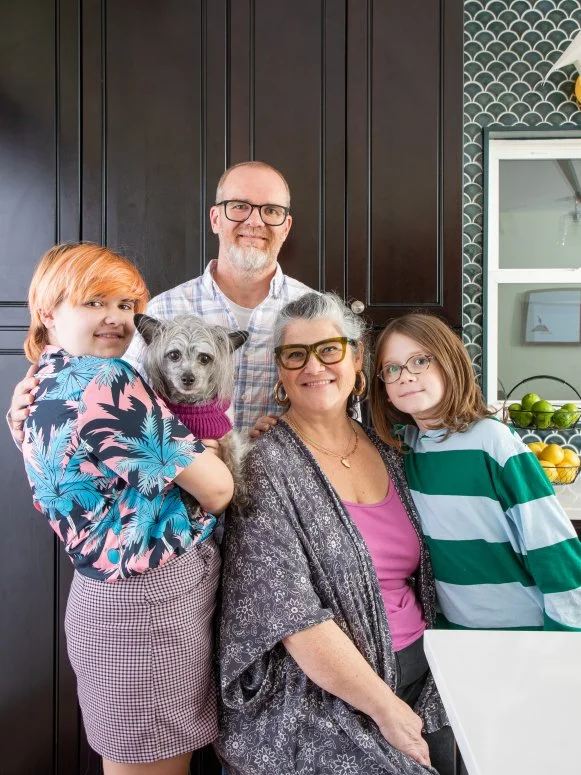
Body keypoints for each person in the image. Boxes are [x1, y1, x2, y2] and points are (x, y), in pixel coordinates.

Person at [19, 243, 235, 775]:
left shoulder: (41, 383)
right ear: (49, 311)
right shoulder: (107, 381)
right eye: (96, 301)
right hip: (145, 612)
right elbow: (218, 490)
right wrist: (209, 453)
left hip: (109, 603)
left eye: (125, 304)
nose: (116, 318)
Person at [217, 292, 453, 775]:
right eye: (295, 354)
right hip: (326, 696)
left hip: (430, 674)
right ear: (280, 369)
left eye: (330, 349)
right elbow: (294, 618)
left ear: (357, 356)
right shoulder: (267, 466)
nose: (314, 366)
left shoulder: (392, 447)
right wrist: (386, 710)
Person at [8, 160, 313, 440]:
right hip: (180, 489)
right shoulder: (164, 310)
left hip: (283, 493)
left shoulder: (313, 314)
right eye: (239, 207)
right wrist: (29, 418)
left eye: (271, 211)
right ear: (216, 218)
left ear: (285, 226)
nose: (254, 221)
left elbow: (339, 417)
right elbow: (110, 405)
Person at [370, 312, 581, 631]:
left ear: (449, 364)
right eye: (392, 368)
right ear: (384, 388)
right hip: (455, 631)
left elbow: (552, 546)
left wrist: (563, 639)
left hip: (526, 629)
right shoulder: (406, 449)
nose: (406, 376)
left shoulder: (491, 441)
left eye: (420, 361)